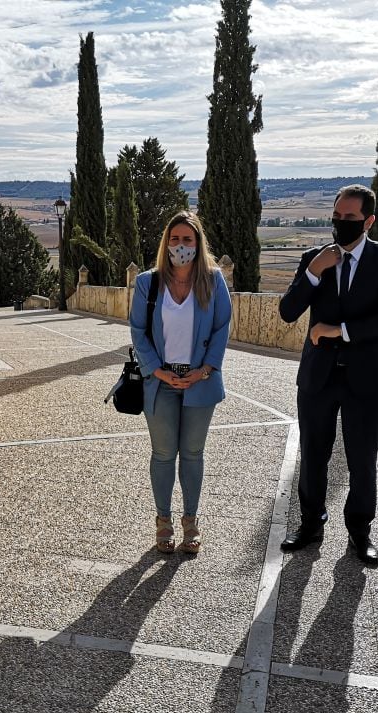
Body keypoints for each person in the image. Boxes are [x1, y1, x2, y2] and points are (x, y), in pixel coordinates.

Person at [278, 184, 378, 566]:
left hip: (365, 379)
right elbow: (288, 311)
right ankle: (310, 525)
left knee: (362, 459)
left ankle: (359, 532)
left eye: (350, 218)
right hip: (318, 377)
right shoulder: (313, 258)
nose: (341, 223)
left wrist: (342, 330)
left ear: (368, 221)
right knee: (313, 455)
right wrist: (314, 274)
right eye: (337, 216)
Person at [129, 211, 232, 554]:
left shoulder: (214, 282)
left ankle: (191, 521)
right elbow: (138, 331)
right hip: (160, 381)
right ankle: (163, 521)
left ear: (198, 243)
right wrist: (157, 370)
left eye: (188, 239)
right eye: (175, 239)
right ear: (166, 243)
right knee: (162, 454)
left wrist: (205, 370)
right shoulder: (148, 282)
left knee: (192, 453)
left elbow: (221, 329)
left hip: (199, 380)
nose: (181, 246)